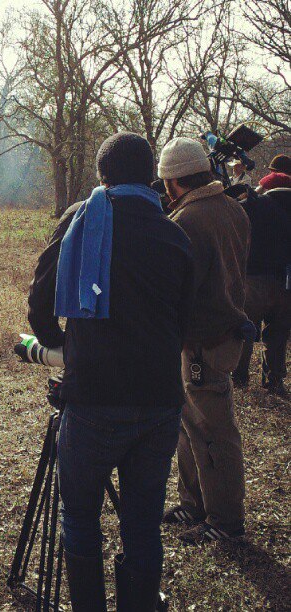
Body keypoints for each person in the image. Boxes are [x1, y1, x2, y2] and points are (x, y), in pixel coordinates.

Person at [28, 132, 194, 611]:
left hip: (94, 397)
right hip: (161, 400)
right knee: (142, 524)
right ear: (152, 178)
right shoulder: (175, 234)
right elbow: (183, 320)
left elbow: (40, 298)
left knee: (79, 515)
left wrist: (62, 346)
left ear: (102, 177)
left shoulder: (80, 218)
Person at [159, 137, 251, 545]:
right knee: (191, 426)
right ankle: (194, 504)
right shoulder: (233, 207)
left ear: (174, 182)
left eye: (165, 183)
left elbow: (178, 292)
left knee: (214, 430)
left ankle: (225, 520)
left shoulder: (186, 222)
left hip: (203, 342)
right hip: (223, 334)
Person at [231, 181, 291, 397]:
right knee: (278, 334)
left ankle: (239, 378)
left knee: (246, 330)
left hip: (253, 279)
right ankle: (274, 380)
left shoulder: (254, 206)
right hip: (285, 282)